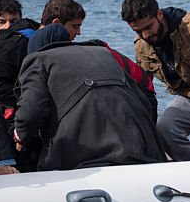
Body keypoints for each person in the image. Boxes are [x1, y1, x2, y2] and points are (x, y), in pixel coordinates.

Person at [13, 35, 167, 171]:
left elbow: (31, 111)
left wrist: (21, 135)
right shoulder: (105, 53)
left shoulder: (36, 60)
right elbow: (143, 94)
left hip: (82, 155)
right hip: (143, 146)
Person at [121, 0, 190, 162]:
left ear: (159, 14)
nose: (145, 35)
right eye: (138, 31)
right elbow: (144, 90)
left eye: (148, 27)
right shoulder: (142, 47)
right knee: (163, 129)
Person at [0, 0, 83, 108]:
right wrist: (34, 101)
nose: (79, 33)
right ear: (56, 23)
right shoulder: (15, 44)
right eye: (75, 26)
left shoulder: (47, 41)